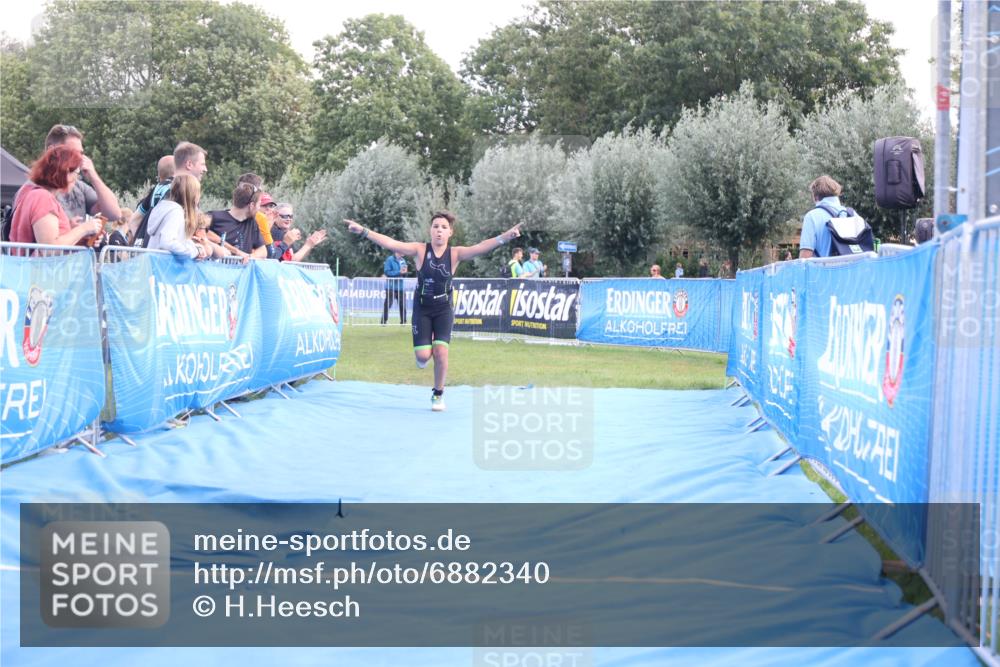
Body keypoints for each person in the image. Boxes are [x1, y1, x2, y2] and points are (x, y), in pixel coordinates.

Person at [344, 211, 523, 411]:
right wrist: (363, 231)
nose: (439, 230)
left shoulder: (455, 254)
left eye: (444, 227)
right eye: (436, 226)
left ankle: (438, 394)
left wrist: (506, 237)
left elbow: (481, 247)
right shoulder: (420, 250)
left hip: (443, 308)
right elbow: (392, 243)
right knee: (423, 356)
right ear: (430, 230)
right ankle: (422, 354)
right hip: (422, 308)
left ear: (450, 232)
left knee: (441, 352)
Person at [9, 145, 103, 246]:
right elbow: (50, 248)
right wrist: (84, 229)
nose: (77, 178)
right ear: (66, 172)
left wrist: (81, 239)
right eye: (77, 173)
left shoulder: (34, 193)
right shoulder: (43, 198)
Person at [41, 124, 122, 222]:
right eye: (72, 152)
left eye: (80, 153)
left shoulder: (79, 187)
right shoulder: (36, 190)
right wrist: (78, 229)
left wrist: (93, 176)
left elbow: (114, 214)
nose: (79, 158)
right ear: (51, 151)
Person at [130, 142, 208, 236]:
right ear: (189, 164)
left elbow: (134, 221)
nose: (205, 169)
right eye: (202, 164)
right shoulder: (183, 189)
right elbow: (192, 232)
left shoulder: (159, 187)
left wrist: (142, 241)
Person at [145, 174, 210, 259]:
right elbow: (167, 242)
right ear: (192, 194)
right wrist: (194, 252)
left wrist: (195, 246)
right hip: (161, 265)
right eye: (198, 192)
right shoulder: (175, 212)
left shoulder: (169, 209)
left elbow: (174, 241)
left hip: (155, 263)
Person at [208, 182, 266, 258]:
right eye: (259, 204)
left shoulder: (252, 223)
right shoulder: (214, 217)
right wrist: (236, 251)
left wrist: (249, 257)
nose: (259, 208)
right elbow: (200, 234)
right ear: (252, 205)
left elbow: (263, 251)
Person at [799, 175, 848, 259]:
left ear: (815, 196)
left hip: (826, 267)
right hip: (853, 267)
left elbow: (805, 257)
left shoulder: (812, 217)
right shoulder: (851, 214)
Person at [380, 250, 409, 325]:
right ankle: (384, 321)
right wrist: (399, 272)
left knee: (403, 305)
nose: (404, 252)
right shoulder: (389, 259)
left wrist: (405, 273)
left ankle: (403, 322)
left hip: (401, 287)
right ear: (397, 251)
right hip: (390, 287)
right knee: (388, 304)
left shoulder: (403, 260)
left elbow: (404, 275)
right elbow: (387, 272)